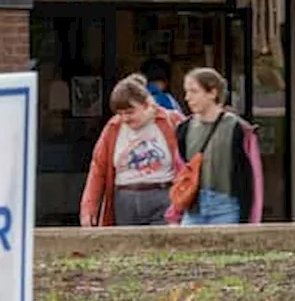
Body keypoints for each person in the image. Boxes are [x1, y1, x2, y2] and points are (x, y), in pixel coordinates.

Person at [78, 74, 185, 227]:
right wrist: (89, 207)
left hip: (163, 193)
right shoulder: (113, 128)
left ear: (146, 104)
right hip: (125, 197)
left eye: (130, 112)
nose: (125, 119)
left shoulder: (171, 121)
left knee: (162, 246)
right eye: (120, 114)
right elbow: (98, 168)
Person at [169, 67, 264, 225]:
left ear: (212, 93)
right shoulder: (183, 129)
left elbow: (253, 177)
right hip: (193, 207)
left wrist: (252, 219)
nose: (187, 98)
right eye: (187, 92)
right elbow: (180, 172)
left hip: (227, 206)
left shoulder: (238, 129)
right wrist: (175, 213)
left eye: (194, 91)